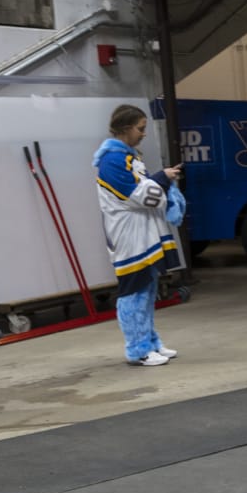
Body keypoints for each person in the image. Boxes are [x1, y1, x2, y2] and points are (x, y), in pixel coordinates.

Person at [94, 105, 182, 367]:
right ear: (125, 129)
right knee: (134, 293)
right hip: (129, 238)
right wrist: (163, 178)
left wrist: (160, 180)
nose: (143, 134)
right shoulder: (112, 161)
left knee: (148, 289)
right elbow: (139, 196)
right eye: (140, 129)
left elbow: (144, 189)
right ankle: (137, 349)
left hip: (142, 234)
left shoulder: (129, 158)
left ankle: (150, 342)